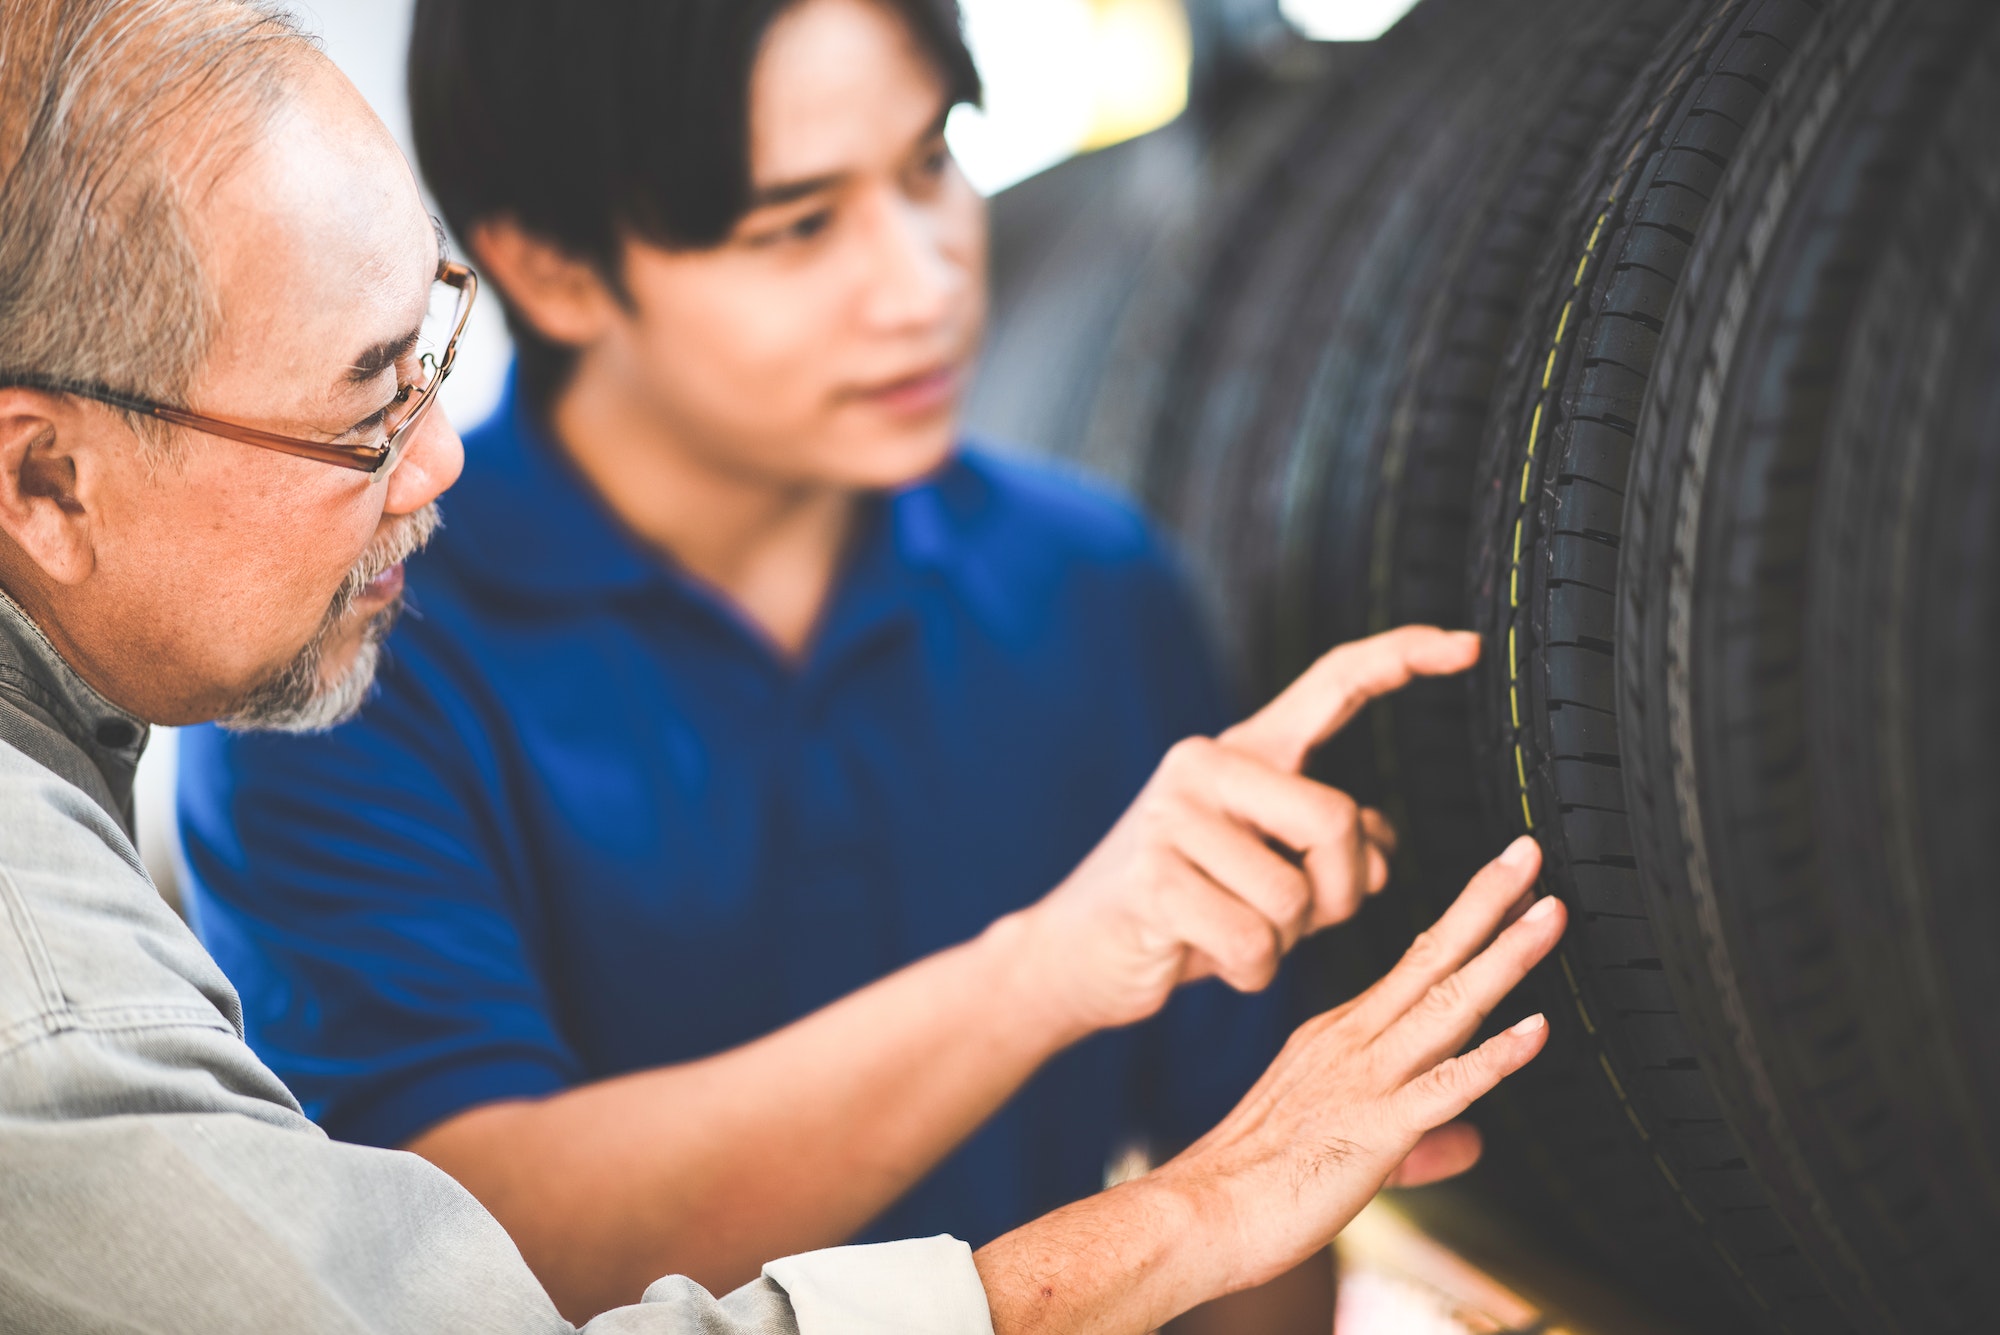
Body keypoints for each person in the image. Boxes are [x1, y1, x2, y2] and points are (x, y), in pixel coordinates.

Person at [0, 1, 1566, 1331]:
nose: (924, 278)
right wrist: (1044, 973)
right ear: (553, 268)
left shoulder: (1096, 589)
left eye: (931, 163)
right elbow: (461, 1271)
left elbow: (1263, 1189)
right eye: (801, 224)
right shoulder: (331, 650)